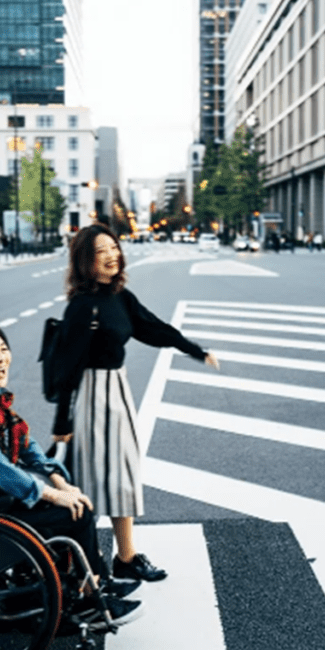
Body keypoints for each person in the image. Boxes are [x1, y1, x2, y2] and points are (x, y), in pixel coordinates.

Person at [0, 320, 143, 627]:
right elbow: (1, 470)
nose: (1, 358)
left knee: (76, 503)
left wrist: (63, 484)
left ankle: (95, 583)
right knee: (73, 514)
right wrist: (54, 494)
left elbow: (32, 451)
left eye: (4, 349)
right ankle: (91, 598)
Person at [51, 224, 220, 582]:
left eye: (114, 247)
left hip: (118, 393)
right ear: (85, 260)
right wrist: (61, 425)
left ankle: (125, 558)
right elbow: (68, 366)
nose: (112, 255)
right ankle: (85, 570)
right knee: (91, 482)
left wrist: (195, 350)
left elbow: (153, 328)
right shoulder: (82, 307)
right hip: (92, 396)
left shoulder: (120, 297)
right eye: (101, 251)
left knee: (124, 475)